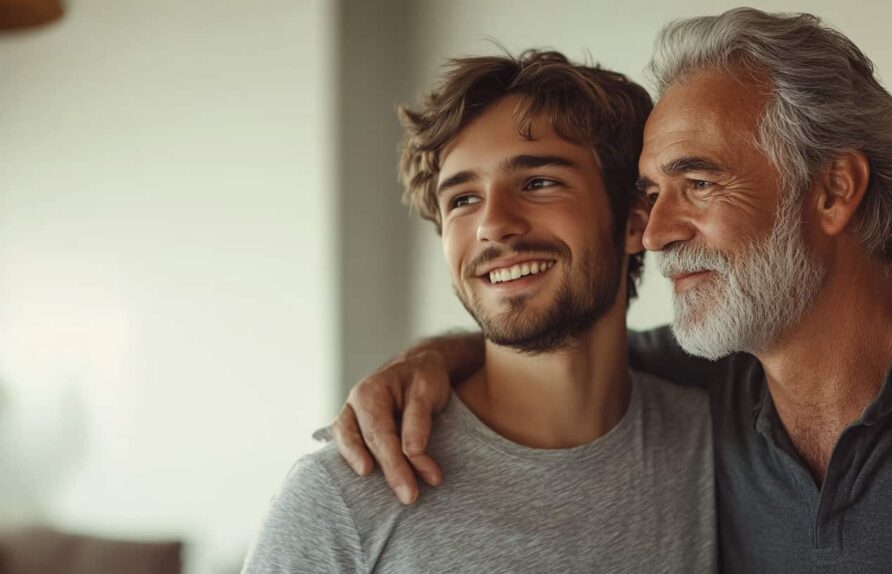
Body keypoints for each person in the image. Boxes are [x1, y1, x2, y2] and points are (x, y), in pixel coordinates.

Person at [331, 8, 892, 573]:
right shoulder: (705, 392)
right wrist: (428, 360)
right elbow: (560, 351)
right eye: (651, 193)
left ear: (835, 190)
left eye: (698, 182)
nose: (654, 232)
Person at [244, 50, 716, 572]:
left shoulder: (716, 441)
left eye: (538, 183)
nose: (493, 224)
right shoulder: (342, 497)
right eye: (463, 200)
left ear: (633, 221)